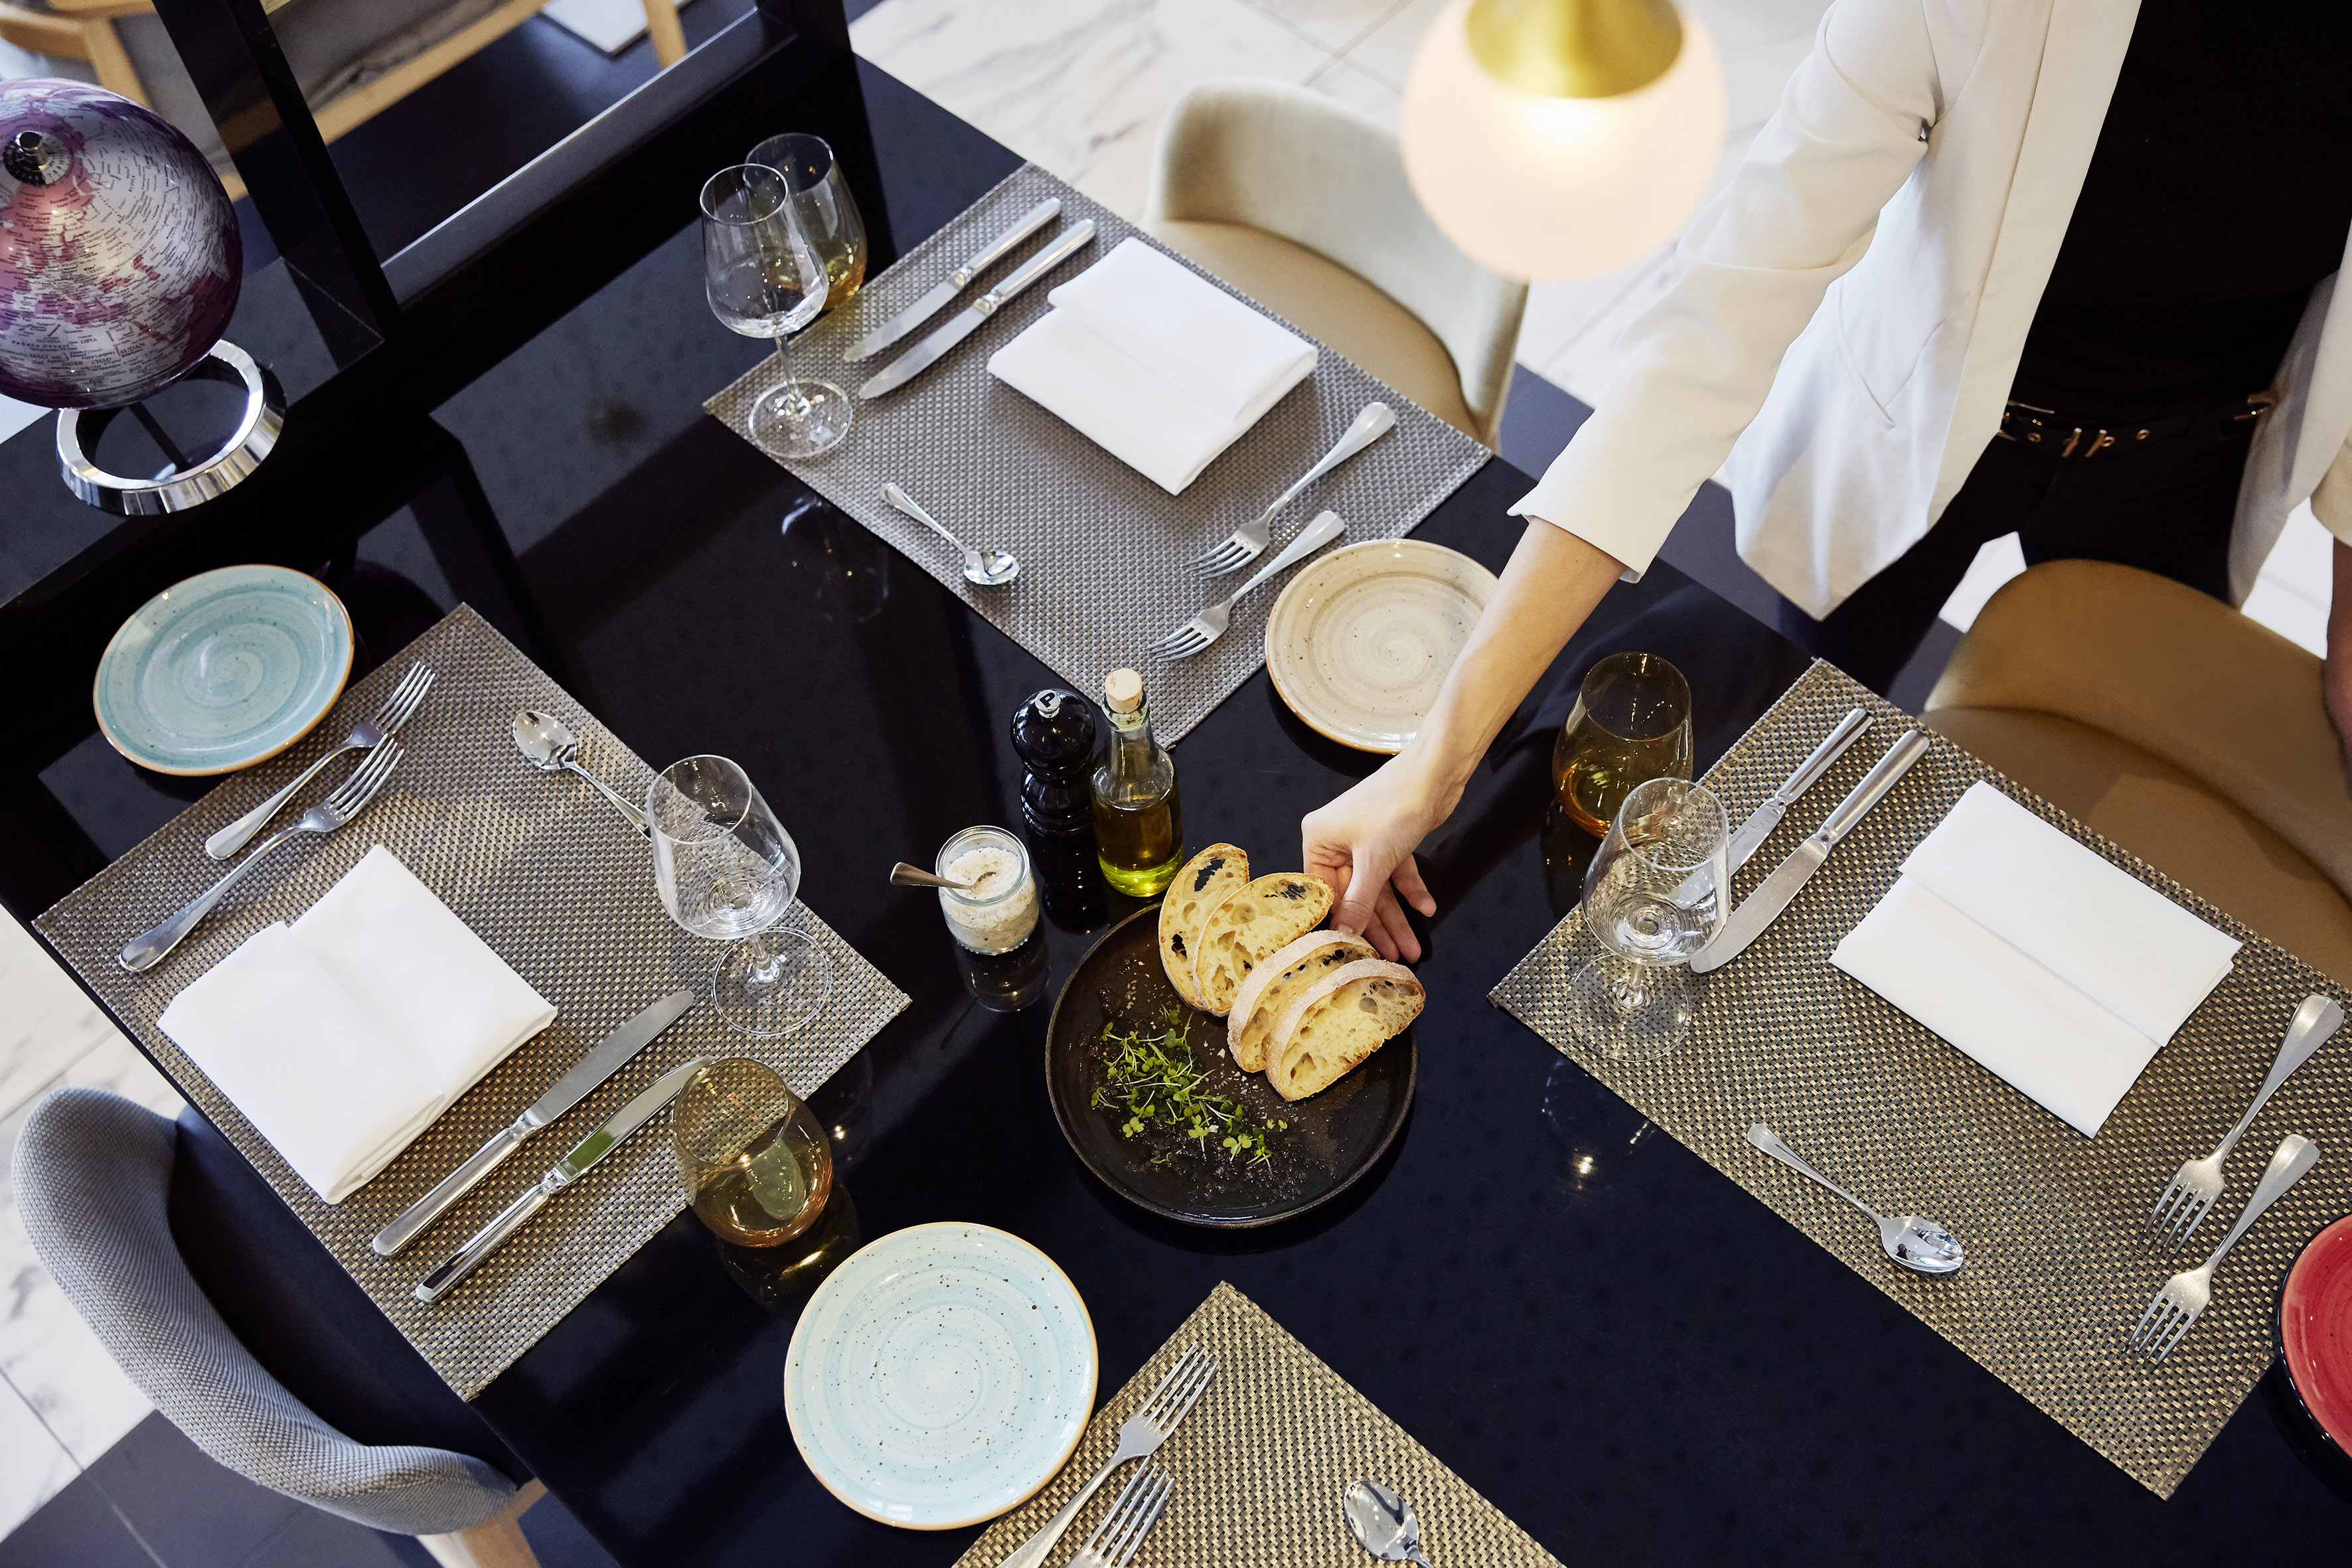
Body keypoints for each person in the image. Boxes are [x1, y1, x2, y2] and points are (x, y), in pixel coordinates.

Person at [1305, 0, 2352, 963]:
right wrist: (1441, 756)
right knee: (1788, 702)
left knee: (2098, 847)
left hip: (2193, 459)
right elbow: (1708, 335)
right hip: (1920, 409)